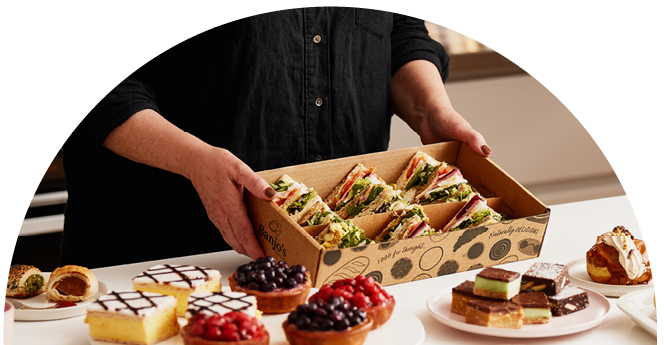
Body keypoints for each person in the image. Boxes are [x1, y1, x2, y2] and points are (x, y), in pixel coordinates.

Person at [60, 9, 491, 268]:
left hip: (348, 257)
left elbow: (398, 30)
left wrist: (431, 109)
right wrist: (194, 159)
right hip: (165, 256)